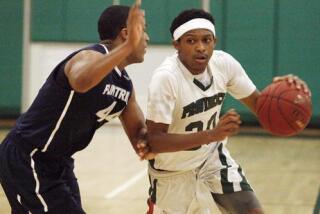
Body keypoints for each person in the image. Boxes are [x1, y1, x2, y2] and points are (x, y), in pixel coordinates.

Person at [145, 9, 310, 214]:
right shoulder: (166, 78)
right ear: (176, 45)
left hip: (212, 160)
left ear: (215, 41)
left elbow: (263, 108)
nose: (200, 48)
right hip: (171, 173)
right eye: (191, 41)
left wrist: (286, 94)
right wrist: (212, 134)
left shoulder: (223, 64)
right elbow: (154, 141)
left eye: (207, 40)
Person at [0, 1, 151, 213]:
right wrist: (127, 47)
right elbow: (81, 82)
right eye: (143, 31)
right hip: (29, 156)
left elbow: (141, 141)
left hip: (59, 163)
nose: (147, 38)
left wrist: (195, 136)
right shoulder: (90, 55)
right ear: (126, 34)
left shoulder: (125, 86)